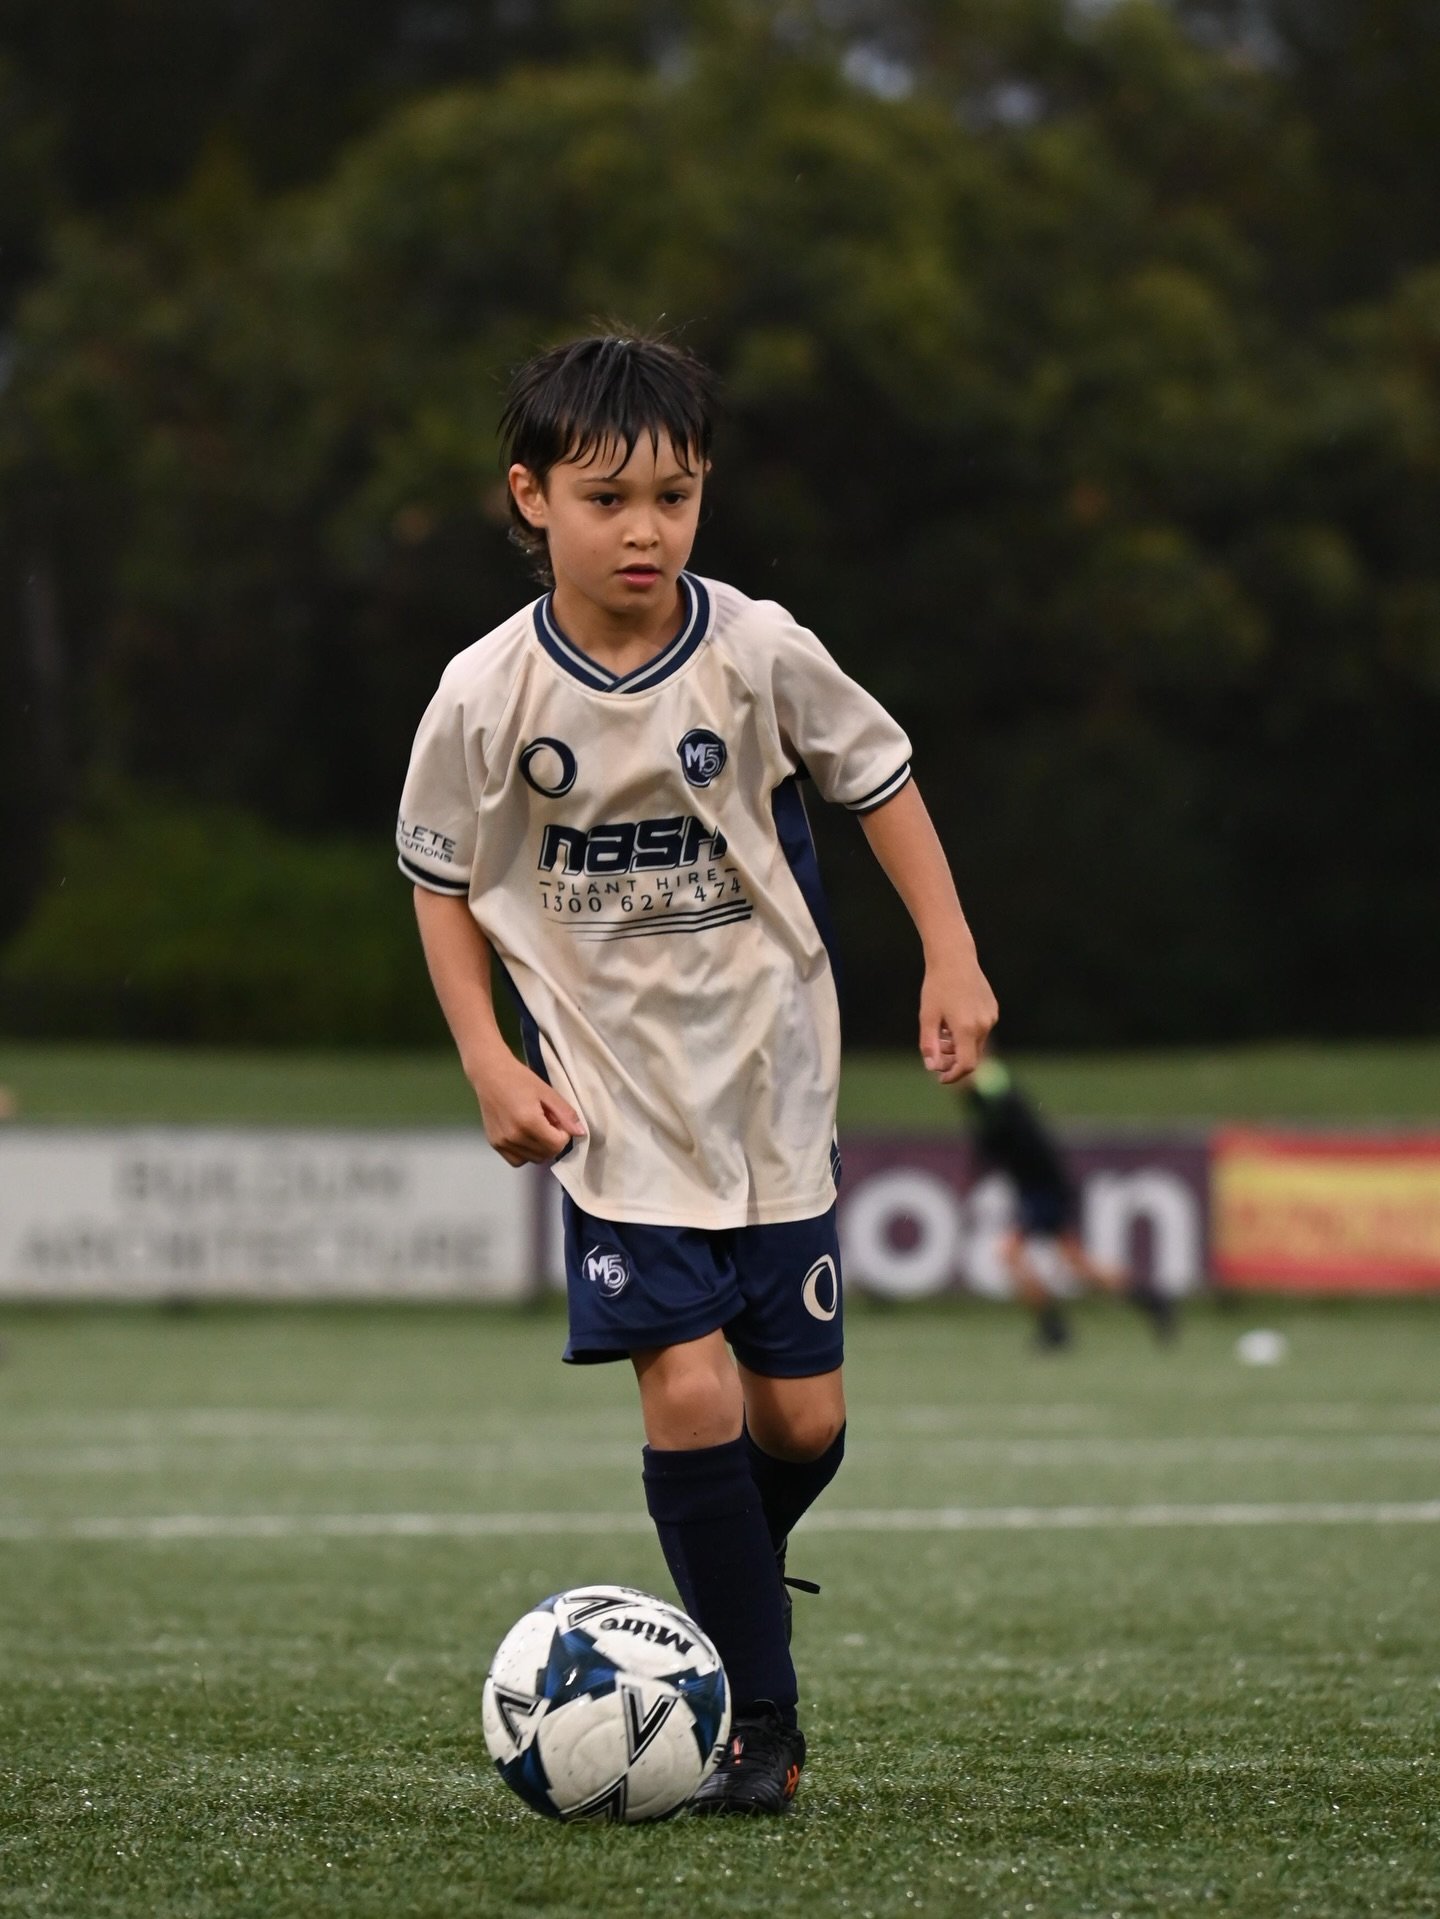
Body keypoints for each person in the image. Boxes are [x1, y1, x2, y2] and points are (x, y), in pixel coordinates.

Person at [398, 333, 997, 1814]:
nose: (647, 528)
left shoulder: (758, 649)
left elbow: (882, 780)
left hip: (773, 1089)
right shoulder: (484, 694)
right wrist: (487, 1057)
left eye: (675, 494)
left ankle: (716, 1583)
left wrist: (953, 952)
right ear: (530, 498)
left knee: (797, 1422)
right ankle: (761, 1722)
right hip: (610, 1110)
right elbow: (438, 880)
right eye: (608, 498)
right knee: (687, 1386)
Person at [963, 1056, 1175, 1347]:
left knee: (1009, 1253)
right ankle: (1154, 1302)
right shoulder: (984, 1092)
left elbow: (1001, 1127)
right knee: (1078, 1264)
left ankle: (1054, 1328)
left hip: (1043, 1187)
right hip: (1038, 1186)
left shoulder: (990, 1084)